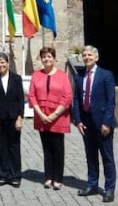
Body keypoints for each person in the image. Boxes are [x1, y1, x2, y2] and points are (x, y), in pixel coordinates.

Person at [73, 45, 118, 203]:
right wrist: (77, 121)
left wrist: (107, 122)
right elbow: (76, 99)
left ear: (96, 58)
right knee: (90, 156)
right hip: (86, 124)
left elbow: (111, 101)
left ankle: (109, 189)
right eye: (84, 55)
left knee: (107, 157)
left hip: (102, 124)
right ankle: (92, 185)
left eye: (90, 55)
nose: (86, 57)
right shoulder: (79, 76)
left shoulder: (106, 75)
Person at [28, 46, 72, 190]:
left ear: (54, 58)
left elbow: (67, 96)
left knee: (58, 148)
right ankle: (48, 176)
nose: (46, 59)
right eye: (44, 57)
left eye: (49, 56)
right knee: (46, 148)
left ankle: (57, 178)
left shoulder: (62, 75)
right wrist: (41, 114)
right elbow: (32, 95)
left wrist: (55, 114)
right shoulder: (36, 75)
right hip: (42, 117)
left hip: (58, 117)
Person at [0, 52, 24, 187]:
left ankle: (15, 175)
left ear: (8, 63)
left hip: (14, 118)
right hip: (0, 118)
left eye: (3, 62)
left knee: (14, 147)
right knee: (2, 147)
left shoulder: (17, 79)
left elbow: (21, 99)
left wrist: (20, 117)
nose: (1, 65)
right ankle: (3, 174)